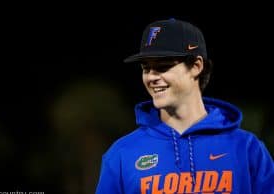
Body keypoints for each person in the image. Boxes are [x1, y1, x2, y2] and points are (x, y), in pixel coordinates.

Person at [95, 18, 274, 194]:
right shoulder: (121, 155)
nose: (151, 77)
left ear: (196, 66)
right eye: (145, 68)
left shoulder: (246, 149)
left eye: (163, 67)